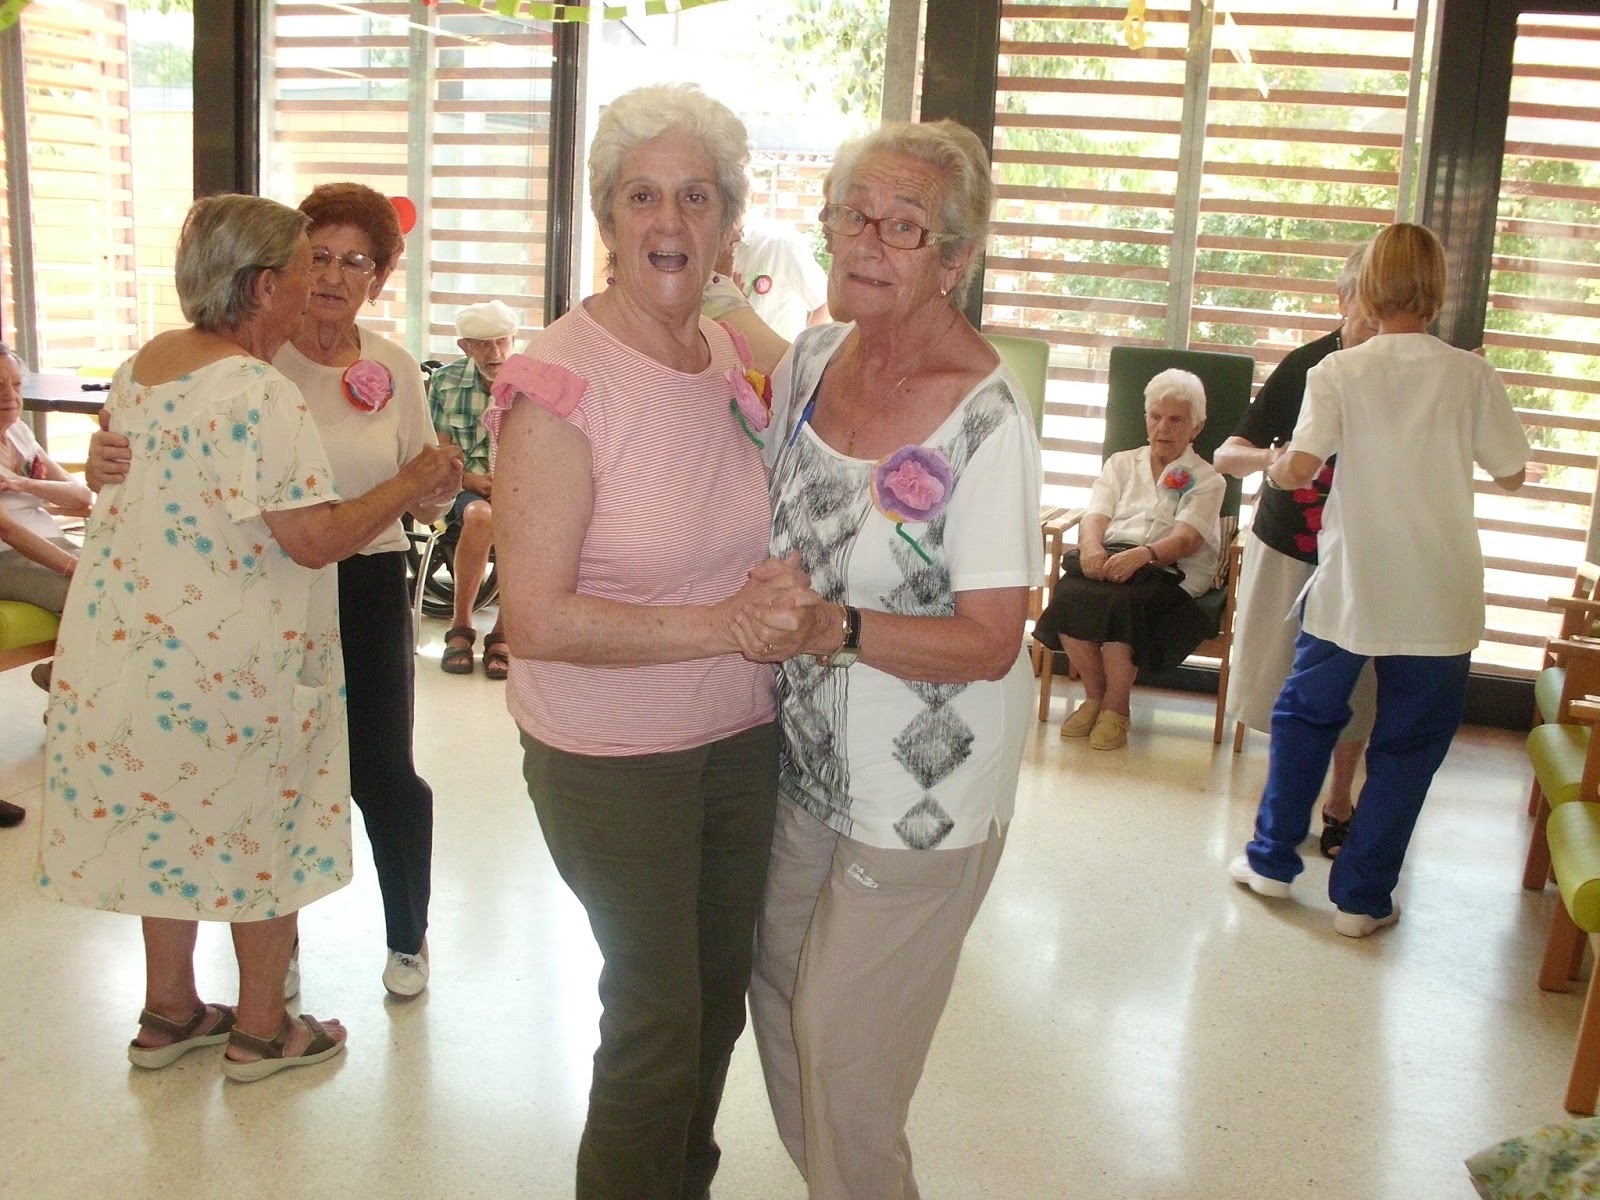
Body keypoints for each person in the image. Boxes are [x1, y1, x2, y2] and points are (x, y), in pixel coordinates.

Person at [37, 193, 460, 1079]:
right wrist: (410, 481)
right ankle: (265, 1030)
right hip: (229, 654)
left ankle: (170, 1011)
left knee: (169, 814)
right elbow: (312, 539)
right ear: (266, 287)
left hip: (137, 643)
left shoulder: (144, 367)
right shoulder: (259, 392)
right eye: (308, 266)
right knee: (264, 821)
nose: (319, 284)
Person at [486, 83, 794, 1200]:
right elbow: (535, 618)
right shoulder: (560, 380)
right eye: (642, 195)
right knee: (656, 1017)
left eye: (696, 197)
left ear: (728, 225)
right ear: (608, 219)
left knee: (715, 1004)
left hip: (739, 739)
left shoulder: (724, 353)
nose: (670, 221)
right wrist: (723, 624)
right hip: (610, 758)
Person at [739, 118, 1043, 1200]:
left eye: (902, 226)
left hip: (925, 786)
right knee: (778, 994)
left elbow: (993, 638)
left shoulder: (984, 421)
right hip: (806, 758)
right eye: (851, 215)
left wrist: (835, 628)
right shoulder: (815, 359)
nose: (865, 241)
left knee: (844, 1046)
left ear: (955, 259)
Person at [1228, 222, 1529, 937]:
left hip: (1352, 586)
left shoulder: (1338, 371)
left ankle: (1271, 863)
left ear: (1366, 288)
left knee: (1304, 719)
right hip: (1440, 593)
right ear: (1438, 291)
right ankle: (1362, 902)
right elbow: (1513, 473)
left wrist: (1274, 465)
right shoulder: (1472, 374)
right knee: (1409, 746)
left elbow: (1298, 470)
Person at [1215, 245, 1379, 858]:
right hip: (1289, 543)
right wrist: (1273, 458)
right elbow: (1227, 455)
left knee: (1359, 686)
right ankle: (1281, 804)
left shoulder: (1403, 369)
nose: (1378, 321)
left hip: (1365, 551)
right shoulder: (1309, 364)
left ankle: (1339, 801)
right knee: (1279, 678)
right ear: (1342, 301)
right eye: (1368, 305)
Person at [1031, 368, 1225, 750]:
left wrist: (1143, 556)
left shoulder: (1207, 478)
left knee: (1125, 603)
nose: (1163, 427)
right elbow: (1095, 516)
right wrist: (1091, 548)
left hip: (1171, 569)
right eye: (1156, 416)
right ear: (1145, 418)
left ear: (1196, 427)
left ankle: (1117, 708)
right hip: (1114, 557)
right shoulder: (1121, 463)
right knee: (1070, 593)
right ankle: (1096, 698)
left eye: (1175, 419)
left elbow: (1186, 540)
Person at [0, 340, 91, 828]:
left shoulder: (18, 433)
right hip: (6, 558)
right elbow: (10, 532)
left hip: (46, 543)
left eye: (15, 385)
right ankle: (72, 696)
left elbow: (79, 497)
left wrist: (25, 484)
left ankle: (62, 679)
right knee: (99, 595)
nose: (10, 397)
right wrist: (74, 567)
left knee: (133, 584)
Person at [427, 298, 516, 678]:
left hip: (518, 487)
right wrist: (473, 481)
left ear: (513, 340)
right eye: (482, 344)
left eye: (501, 341)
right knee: (481, 515)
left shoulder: (531, 380)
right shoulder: (445, 382)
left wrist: (511, 483)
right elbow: (438, 455)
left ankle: (503, 632)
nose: (494, 353)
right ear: (464, 346)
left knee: (528, 524)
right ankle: (461, 627)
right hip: (461, 487)